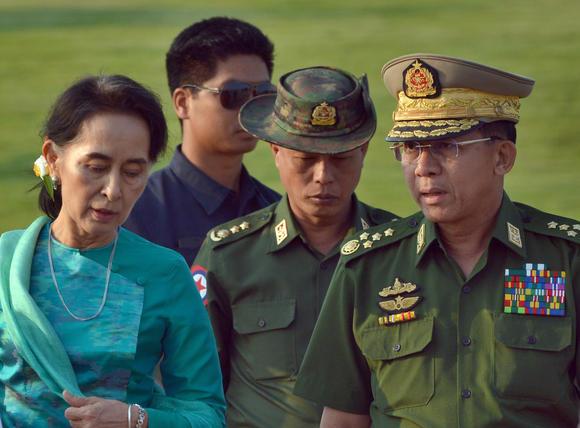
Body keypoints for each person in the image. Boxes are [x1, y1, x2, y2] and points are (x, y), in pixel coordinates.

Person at [294, 54, 580, 427]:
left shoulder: (565, 260)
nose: (423, 167)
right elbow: (344, 418)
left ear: (502, 157)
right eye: (410, 148)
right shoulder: (366, 266)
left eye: (447, 146)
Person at [0, 75, 225, 427]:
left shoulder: (163, 272)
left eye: (133, 172)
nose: (113, 190)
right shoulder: (7, 262)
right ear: (53, 159)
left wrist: (137, 420)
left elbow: (207, 414)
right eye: (96, 168)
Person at [194, 66, 399, 427]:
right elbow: (197, 382)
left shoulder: (399, 250)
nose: (323, 176)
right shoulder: (228, 256)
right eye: (305, 160)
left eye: (340, 158)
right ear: (276, 150)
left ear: (364, 150)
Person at [124, 17, 280, 266]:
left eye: (262, 94)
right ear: (183, 102)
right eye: (234, 94)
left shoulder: (277, 210)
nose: (251, 108)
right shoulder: (133, 213)